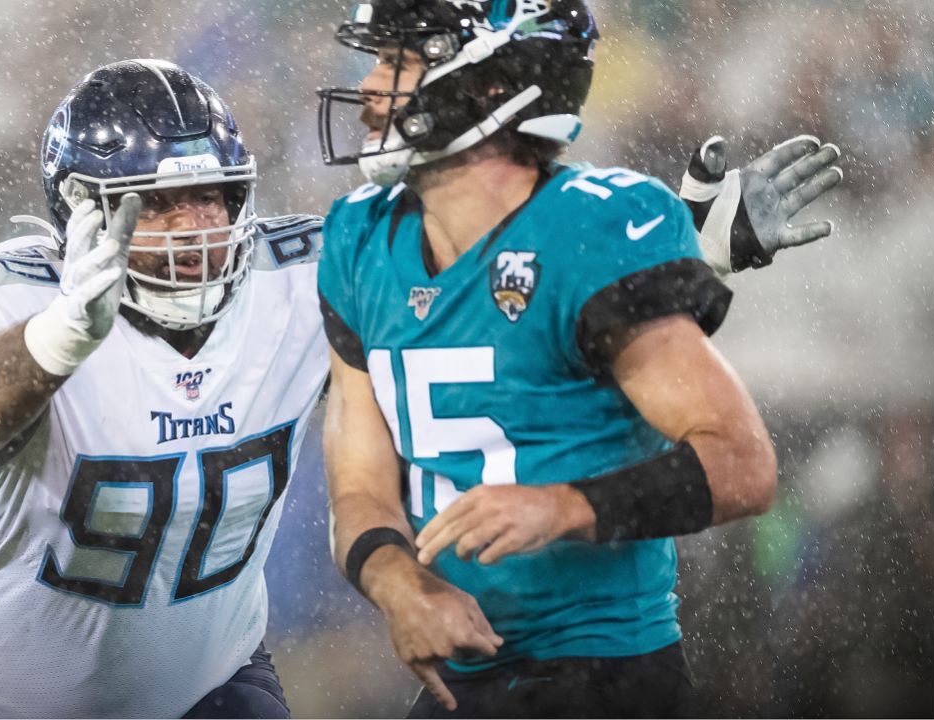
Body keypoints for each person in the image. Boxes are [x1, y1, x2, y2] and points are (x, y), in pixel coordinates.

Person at [315, 1, 843, 717]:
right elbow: (358, 488)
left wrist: (566, 507)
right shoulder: (359, 238)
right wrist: (399, 585)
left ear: (492, 85)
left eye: (401, 60)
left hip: (603, 671)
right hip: (462, 679)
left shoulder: (593, 227)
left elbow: (745, 468)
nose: (373, 87)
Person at [0, 59, 326, 718]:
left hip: (209, 683)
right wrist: (53, 339)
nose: (193, 226)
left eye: (210, 195)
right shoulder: (17, 297)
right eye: (157, 202)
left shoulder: (296, 282)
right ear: (82, 210)